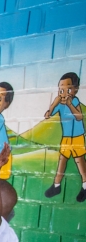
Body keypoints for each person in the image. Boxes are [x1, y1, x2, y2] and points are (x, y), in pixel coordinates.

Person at [44, 72, 86, 202]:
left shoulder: (74, 101)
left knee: (79, 161)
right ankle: (56, 185)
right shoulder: (60, 105)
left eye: (67, 89)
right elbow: (47, 115)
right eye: (61, 89)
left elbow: (79, 116)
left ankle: (85, 185)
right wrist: (53, 104)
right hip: (66, 138)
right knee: (62, 160)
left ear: (75, 89)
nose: (63, 92)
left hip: (77, 137)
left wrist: (70, 104)